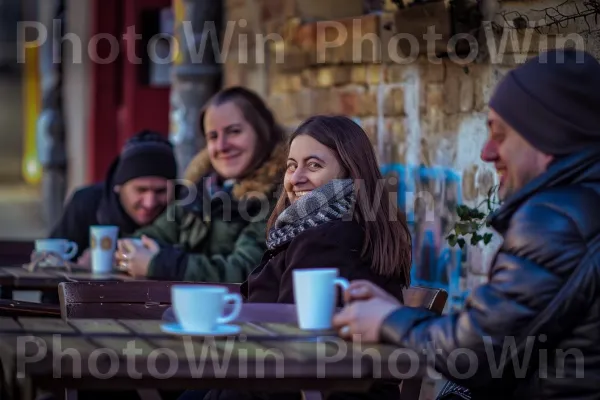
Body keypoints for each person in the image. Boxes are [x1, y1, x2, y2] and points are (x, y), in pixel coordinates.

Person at [332, 49, 600, 399]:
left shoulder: (556, 220)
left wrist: (387, 320)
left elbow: (474, 352)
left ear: (549, 136)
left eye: (500, 135)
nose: (486, 152)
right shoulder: (581, 207)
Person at [198, 115, 413, 400]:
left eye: (314, 165)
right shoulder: (329, 229)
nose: (296, 177)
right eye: (291, 166)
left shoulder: (329, 236)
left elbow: (291, 342)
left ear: (350, 172)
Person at [115, 86, 287, 283]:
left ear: (261, 132)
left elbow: (246, 270)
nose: (222, 146)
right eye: (213, 136)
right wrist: (129, 253)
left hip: (239, 312)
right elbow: (146, 238)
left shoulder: (280, 194)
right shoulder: (200, 191)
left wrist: (161, 264)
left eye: (234, 132)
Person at [48, 130, 178, 264]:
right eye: (141, 190)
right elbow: (49, 256)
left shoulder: (184, 210)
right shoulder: (87, 203)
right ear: (118, 185)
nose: (150, 202)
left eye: (161, 191)